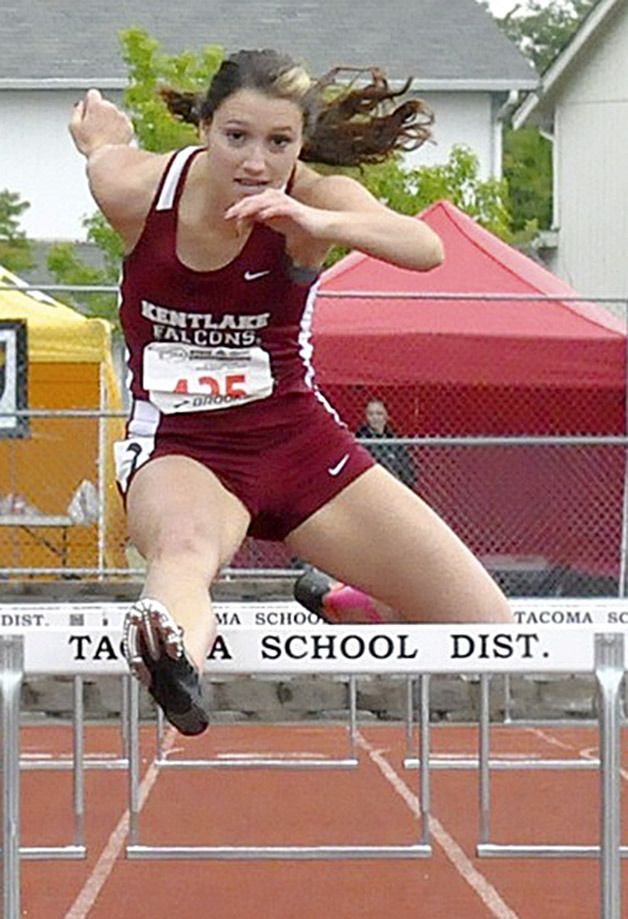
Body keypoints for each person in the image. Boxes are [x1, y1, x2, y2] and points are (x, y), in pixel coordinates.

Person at [69, 49, 512, 736]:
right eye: (236, 137)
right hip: (184, 450)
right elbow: (106, 152)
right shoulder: (139, 192)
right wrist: (103, 136)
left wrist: (319, 225)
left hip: (297, 444)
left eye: (279, 143)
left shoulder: (314, 196)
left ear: (301, 144)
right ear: (204, 128)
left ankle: (351, 602)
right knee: (183, 549)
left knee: (488, 626)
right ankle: (171, 657)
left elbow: (424, 246)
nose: (256, 162)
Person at [355, 399, 416, 490]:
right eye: (371, 414)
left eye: (379, 413)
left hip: (395, 485)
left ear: (386, 416)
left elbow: (408, 468)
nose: (375, 417)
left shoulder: (394, 441)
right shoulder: (361, 440)